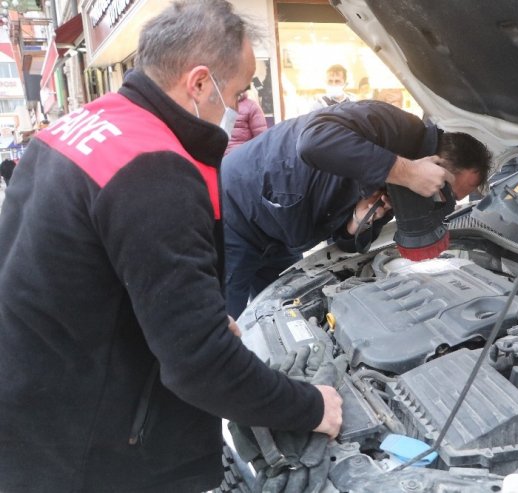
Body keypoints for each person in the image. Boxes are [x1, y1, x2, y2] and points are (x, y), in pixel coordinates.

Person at [0, 1, 341, 492]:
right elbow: (199, 364)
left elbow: (73, 269)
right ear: (200, 83)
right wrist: (311, 406)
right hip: (84, 452)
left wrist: (181, 311)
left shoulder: (84, 123)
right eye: (242, 90)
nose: (247, 105)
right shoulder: (155, 171)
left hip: (33, 406)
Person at [221, 100, 491, 318]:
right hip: (236, 216)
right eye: (446, 191)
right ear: (436, 165)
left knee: (280, 315)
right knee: (224, 327)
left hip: (282, 236)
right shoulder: (395, 127)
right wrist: (406, 171)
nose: (444, 204)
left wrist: (355, 223)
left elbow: (345, 243)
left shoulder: (407, 192)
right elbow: (314, 140)